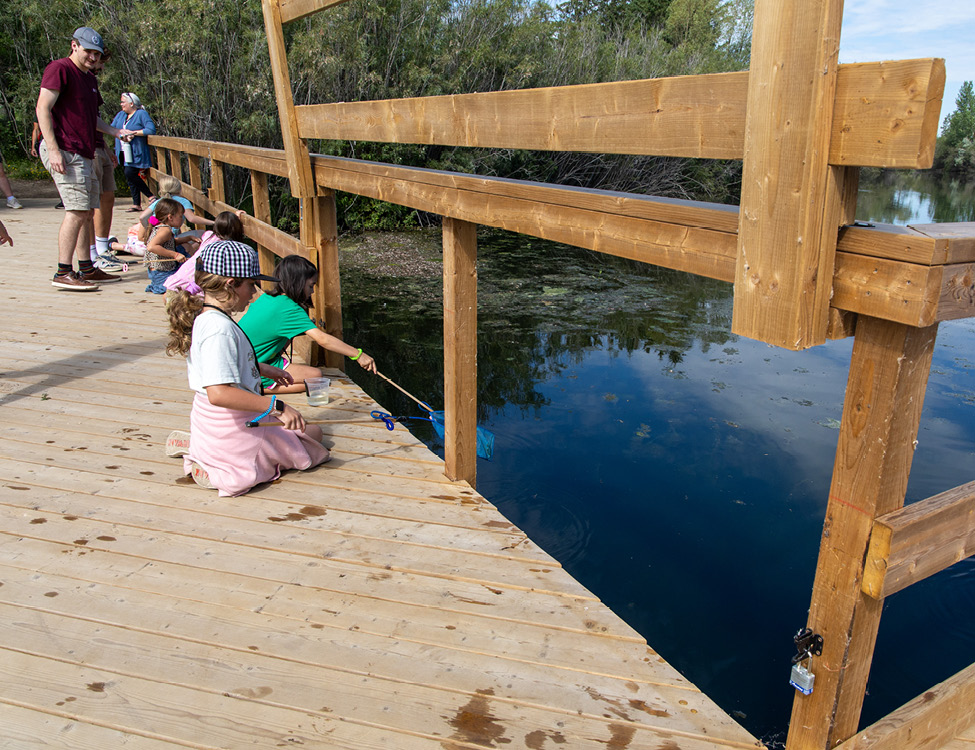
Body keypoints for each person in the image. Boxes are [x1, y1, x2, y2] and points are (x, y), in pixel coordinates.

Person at [165, 239, 330, 495]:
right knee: (313, 435)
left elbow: (222, 363)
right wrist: (278, 407)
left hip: (210, 421)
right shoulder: (219, 331)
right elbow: (219, 393)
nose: (254, 293)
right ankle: (214, 466)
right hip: (235, 425)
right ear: (231, 284)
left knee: (304, 429)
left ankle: (202, 448)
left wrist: (262, 368)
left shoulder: (209, 318)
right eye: (251, 284)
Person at [36, 26, 135, 290]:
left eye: (97, 53)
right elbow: (42, 108)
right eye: (89, 51)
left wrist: (115, 132)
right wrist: (54, 149)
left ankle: (88, 269)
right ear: (74, 46)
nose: (93, 57)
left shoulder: (89, 79)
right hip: (65, 149)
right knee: (77, 210)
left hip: (84, 150)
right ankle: (62, 272)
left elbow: (92, 119)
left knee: (86, 212)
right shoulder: (59, 69)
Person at [238, 254, 377, 395]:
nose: (312, 291)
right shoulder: (289, 308)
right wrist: (358, 355)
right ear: (297, 282)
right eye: (311, 285)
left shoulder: (269, 298)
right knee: (315, 377)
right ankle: (260, 388)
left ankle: (257, 384)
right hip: (254, 367)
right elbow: (323, 339)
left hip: (244, 361)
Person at [165, 209, 247, 296]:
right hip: (194, 283)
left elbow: (225, 224)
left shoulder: (208, 235)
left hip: (180, 278)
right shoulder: (227, 248)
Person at [111, 92, 156, 211]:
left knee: (129, 173)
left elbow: (150, 130)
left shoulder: (141, 114)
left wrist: (133, 133)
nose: (121, 104)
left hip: (136, 151)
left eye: (123, 102)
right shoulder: (120, 115)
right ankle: (136, 204)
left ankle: (151, 196)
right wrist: (120, 134)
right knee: (130, 177)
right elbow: (112, 128)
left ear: (131, 103)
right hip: (122, 151)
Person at [140, 175, 212, 241]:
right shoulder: (182, 201)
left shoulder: (159, 201)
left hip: (155, 237)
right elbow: (192, 218)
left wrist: (148, 229)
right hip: (170, 239)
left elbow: (142, 217)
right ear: (180, 189)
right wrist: (213, 223)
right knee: (202, 233)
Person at [144, 198, 194, 294]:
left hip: (157, 272)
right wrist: (175, 255)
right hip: (161, 273)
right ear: (170, 217)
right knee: (186, 285)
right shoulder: (165, 230)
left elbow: (169, 243)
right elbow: (151, 247)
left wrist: (188, 238)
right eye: (180, 216)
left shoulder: (161, 226)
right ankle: (158, 286)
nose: (182, 219)